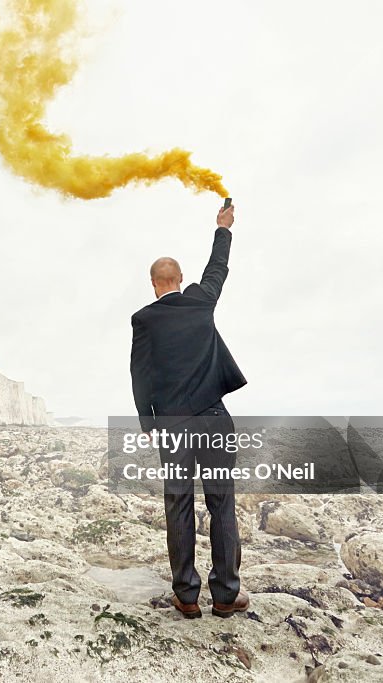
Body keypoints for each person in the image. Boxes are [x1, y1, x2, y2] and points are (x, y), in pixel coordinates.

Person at [129, 202, 248, 618]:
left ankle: (187, 595)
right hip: (214, 418)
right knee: (221, 503)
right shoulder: (199, 300)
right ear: (179, 280)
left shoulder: (143, 319)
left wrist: (147, 420)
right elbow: (217, 270)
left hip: (174, 423)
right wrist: (223, 228)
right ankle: (226, 595)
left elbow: (139, 371)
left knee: (178, 503)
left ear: (153, 283)